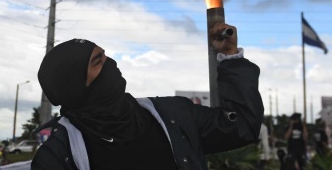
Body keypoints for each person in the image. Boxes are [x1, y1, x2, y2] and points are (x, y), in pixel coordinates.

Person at [31, 23, 264, 170]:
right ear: (75, 86)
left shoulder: (174, 114)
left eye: (105, 55)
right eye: (97, 62)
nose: (111, 64)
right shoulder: (57, 156)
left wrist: (230, 57)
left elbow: (242, 125)